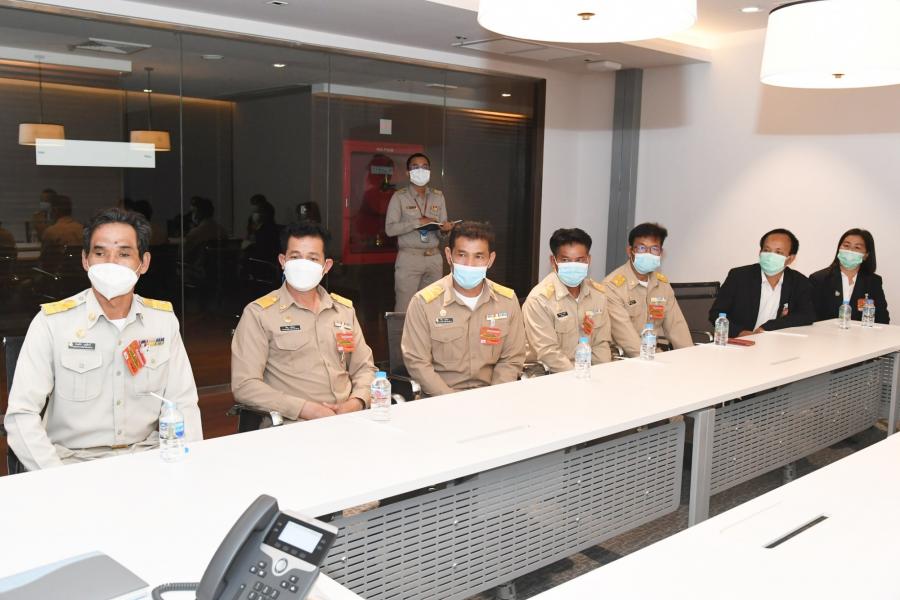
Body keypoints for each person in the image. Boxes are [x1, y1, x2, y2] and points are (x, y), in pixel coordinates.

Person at [4, 207, 203, 471]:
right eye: (100, 253)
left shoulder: (162, 322)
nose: (111, 262)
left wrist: (186, 466)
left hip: (149, 460)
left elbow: (183, 403)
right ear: (85, 260)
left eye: (124, 253)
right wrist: (55, 477)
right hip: (72, 465)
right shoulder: (52, 323)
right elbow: (22, 415)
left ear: (143, 263)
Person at [231, 221, 376, 422]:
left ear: (326, 266)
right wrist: (305, 409)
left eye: (312, 258)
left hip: (348, 419)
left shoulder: (343, 311)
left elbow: (365, 369)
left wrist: (356, 402)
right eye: (295, 257)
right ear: (283, 261)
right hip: (293, 424)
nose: (303, 265)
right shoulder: (259, 314)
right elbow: (245, 385)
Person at [401, 220, 525, 396]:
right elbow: (418, 363)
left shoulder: (507, 301)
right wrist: (454, 402)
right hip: (441, 400)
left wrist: (494, 397)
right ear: (449, 255)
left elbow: (511, 359)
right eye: (462, 255)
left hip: (492, 397)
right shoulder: (423, 303)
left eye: (479, 256)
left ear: (490, 260)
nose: (469, 264)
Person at [523, 228, 612, 372]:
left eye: (579, 260)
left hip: (587, 372)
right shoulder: (539, 300)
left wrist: (602, 374)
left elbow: (601, 344)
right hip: (548, 373)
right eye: (565, 260)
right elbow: (548, 352)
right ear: (553, 261)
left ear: (588, 260)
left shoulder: (598, 295)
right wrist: (578, 378)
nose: (573, 266)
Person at [603, 222, 691, 356]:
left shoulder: (662, 284)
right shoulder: (612, 286)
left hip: (655, 354)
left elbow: (677, 327)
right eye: (642, 248)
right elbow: (626, 339)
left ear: (660, 253)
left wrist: (689, 357)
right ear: (630, 251)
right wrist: (655, 360)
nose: (648, 254)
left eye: (654, 249)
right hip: (624, 358)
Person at [709, 228, 816, 337]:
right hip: (740, 341)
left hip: (776, 341)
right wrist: (741, 333)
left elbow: (807, 315)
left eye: (778, 252)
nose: (770, 256)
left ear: (790, 259)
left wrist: (767, 327)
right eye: (766, 250)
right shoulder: (739, 276)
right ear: (760, 252)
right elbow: (716, 313)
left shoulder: (799, 281)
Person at [385, 153, 454, 311]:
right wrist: (417, 222)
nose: (420, 170)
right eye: (415, 167)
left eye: (424, 167)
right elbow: (390, 229)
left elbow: (441, 231)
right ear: (408, 172)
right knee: (405, 308)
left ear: (429, 171)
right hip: (409, 258)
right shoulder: (399, 197)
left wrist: (445, 230)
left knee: (433, 307)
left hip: (434, 258)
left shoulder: (438, 196)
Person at [809, 228, 889, 324]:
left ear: (866, 255)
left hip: (861, 333)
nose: (850, 250)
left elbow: (883, 319)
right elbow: (810, 317)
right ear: (839, 249)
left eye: (857, 247)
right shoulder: (819, 279)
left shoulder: (873, 282)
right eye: (846, 246)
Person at [40, 195, 84, 272]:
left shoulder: (51, 232)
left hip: (59, 275)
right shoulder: (83, 229)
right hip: (82, 275)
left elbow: (44, 259)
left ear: (55, 210)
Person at [183, 196, 227, 262]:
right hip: (220, 267)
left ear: (198, 213)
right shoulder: (223, 231)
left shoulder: (194, 233)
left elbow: (183, 256)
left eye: (192, 212)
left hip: (197, 268)